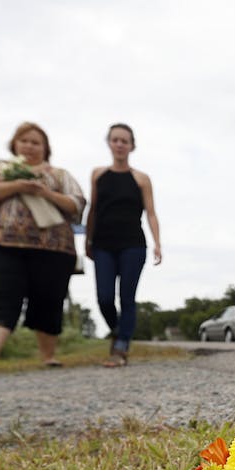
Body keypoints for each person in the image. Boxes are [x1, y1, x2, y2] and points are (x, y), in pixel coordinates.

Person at [0, 121, 85, 372]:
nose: (29, 146)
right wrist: (18, 185)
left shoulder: (59, 175)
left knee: (48, 298)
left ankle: (48, 355)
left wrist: (44, 192)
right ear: (15, 144)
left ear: (45, 148)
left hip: (53, 246)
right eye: (24, 141)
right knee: (3, 293)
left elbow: (77, 204)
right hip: (1, 242)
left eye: (36, 142)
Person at [85, 123, 162, 367]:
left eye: (124, 141)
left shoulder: (141, 179)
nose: (119, 144)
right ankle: (118, 330)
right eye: (115, 140)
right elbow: (94, 209)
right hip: (103, 244)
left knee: (127, 297)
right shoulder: (98, 175)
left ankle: (120, 348)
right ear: (109, 143)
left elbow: (151, 213)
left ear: (131, 146)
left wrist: (157, 243)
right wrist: (88, 238)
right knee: (105, 298)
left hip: (133, 244)